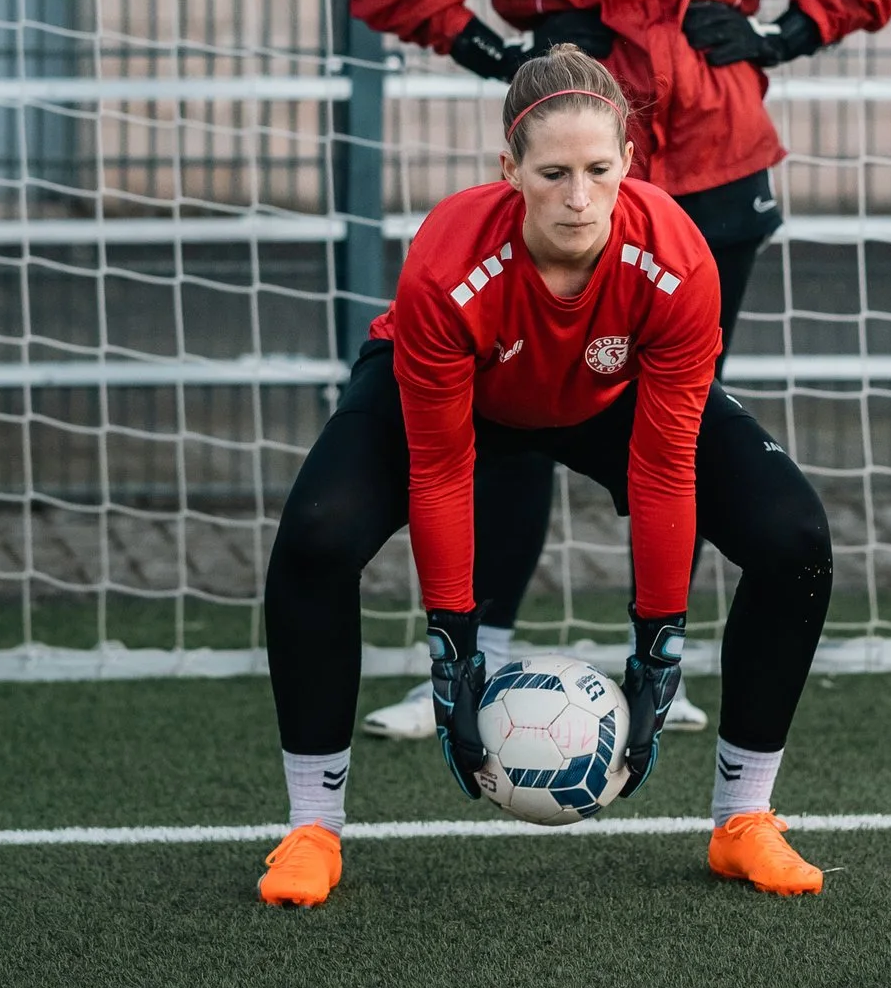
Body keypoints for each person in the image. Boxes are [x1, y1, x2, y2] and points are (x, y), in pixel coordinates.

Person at [347, 0, 891, 739]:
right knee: (510, 416)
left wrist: (777, 39)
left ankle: (663, 655)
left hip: (711, 180)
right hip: (571, 180)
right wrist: (491, 51)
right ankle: (475, 656)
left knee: (672, 420)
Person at [257, 47, 836, 909]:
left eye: (599, 171)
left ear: (628, 165)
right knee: (315, 536)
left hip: (607, 397)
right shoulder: (448, 266)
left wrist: (658, 650)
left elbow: (665, 465)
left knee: (794, 538)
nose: (577, 197)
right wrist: (452, 655)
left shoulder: (677, 259)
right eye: (553, 172)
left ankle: (743, 818)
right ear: (509, 170)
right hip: (463, 396)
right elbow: (447, 470)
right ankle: (313, 828)